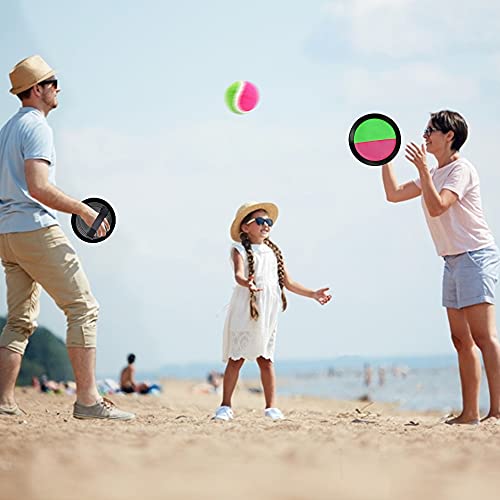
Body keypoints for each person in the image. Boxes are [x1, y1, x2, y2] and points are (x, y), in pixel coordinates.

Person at [0, 55, 134, 420]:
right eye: (52, 82)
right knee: (83, 308)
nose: (58, 88)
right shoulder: (37, 127)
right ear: (37, 90)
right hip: (34, 229)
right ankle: (88, 401)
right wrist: (83, 210)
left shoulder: (7, 130)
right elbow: (39, 187)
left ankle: (4, 401)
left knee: (18, 321)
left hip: (7, 235)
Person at [381, 110, 500, 424]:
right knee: (460, 340)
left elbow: (438, 207)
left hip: (476, 256)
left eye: (431, 129)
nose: (425, 135)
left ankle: (497, 411)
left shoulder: (461, 170)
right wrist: (383, 157)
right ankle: (470, 413)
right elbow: (393, 195)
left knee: (484, 336)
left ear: (450, 136)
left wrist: (422, 167)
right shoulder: (431, 175)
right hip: (451, 260)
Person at [213, 201, 332, 421]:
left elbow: (289, 282)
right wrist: (245, 283)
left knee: (265, 359)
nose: (265, 225)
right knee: (236, 358)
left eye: (268, 221)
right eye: (260, 221)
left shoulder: (274, 252)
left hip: (268, 311)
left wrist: (313, 294)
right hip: (246, 306)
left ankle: (271, 407)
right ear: (246, 227)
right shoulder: (238, 249)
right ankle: (225, 405)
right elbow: (238, 274)